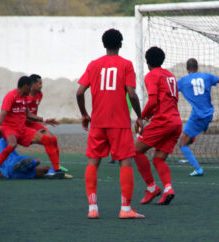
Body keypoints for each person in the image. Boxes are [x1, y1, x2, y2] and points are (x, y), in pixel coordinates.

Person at [76, 28, 145, 219]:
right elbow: (132, 94)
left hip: (98, 122)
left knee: (93, 162)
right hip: (120, 123)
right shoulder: (126, 65)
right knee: (125, 162)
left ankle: (92, 208)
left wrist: (84, 114)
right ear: (121, 44)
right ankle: (125, 209)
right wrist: (139, 116)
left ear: (103, 44)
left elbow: (79, 92)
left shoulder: (94, 65)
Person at [177, 58, 219, 176]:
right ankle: (192, 138)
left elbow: (169, 92)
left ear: (187, 69)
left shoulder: (182, 81)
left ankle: (198, 169)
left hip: (198, 116)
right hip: (208, 114)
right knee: (186, 137)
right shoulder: (207, 76)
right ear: (197, 67)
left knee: (182, 144)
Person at [0, 76, 64, 180]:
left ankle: (57, 170)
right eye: (30, 87)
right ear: (26, 86)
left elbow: (29, 114)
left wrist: (44, 120)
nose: (31, 89)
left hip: (22, 129)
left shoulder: (25, 98)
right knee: (12, 145)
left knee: (48, 140)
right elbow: (2, 114)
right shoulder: (11, 96)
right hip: (9, 128)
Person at [134, 46, 182, 206]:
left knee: (136, 150)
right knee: (158, 159)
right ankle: (168, 189)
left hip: (164, 121)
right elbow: (168, 100)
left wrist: (140, 117)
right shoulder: (170, 75)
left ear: (147, 62)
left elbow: (153, 100)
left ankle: (151, 187)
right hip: (176, 122)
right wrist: (150, 113)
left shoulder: (151, 75)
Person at [0, 133, 72, 179]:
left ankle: (24, 167)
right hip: (13, 165)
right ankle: (51, 172)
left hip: (10, 174)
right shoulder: (5, 139)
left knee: (42, 167)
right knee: (38, 161)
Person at [26, 74, 62, 163]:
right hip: (23, 124)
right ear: (32, 84)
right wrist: (41, 120)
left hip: (33, 123)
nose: (41, 86)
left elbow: (35, 109)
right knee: (9, 142)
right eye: (39, 84)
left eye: (41, 83)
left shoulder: (39, 94)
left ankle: (57, 166)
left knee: (53, 138)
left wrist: (40, 122)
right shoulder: (25, 97)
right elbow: (26, 115)